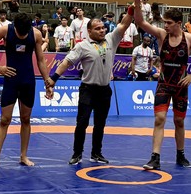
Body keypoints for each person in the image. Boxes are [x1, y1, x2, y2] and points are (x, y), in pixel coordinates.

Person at [132, 0, 191, 170]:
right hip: (163, 83)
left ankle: (180, 155)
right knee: (159, 119)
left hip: (181, 86)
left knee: (179, 121)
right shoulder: (161, 35)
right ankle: (155, 157)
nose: (165, 25)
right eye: (165, 22)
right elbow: (140, 22)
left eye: (169, 23)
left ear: (178, 23)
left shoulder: (190, 38)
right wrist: (137, 3)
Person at [49, 9, 135, 165]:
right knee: (82, 123)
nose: (102, 30)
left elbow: (124, 24)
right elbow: (67, 62)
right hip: (88, 89)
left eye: (103, 28)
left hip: (104, 90)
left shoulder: (111, 39)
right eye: (98, 28)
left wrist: (132, 8)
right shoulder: (82, 46)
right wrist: (53, 79)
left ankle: (96, 153)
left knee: (100, 124)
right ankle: (77, 153)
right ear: (89, 31)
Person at [0, 13, 53, 170]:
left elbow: (40, 59)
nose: (22, 35)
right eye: (20, 32)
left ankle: (23, 156)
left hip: (28, 80)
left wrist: (48, 83)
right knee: (4, 120)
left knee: (25, 119)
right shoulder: (5, 30)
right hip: (11, 80)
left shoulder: (36, 34)